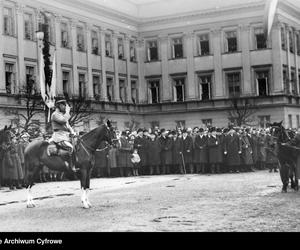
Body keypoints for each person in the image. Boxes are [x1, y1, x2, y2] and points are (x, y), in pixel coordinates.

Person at [49, 99, 77, 172]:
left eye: (65, 106)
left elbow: (68, 125)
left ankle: (76, 163)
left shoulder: (62, 115)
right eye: (64, 105)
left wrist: (72, 132)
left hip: (66, 135)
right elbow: (63, 121)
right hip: (59, 136)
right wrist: (67, 112)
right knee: (70, 147)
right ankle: (71, 166)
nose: (65, 107)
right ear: (59, 106)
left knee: (77, 145)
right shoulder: (55, 114)